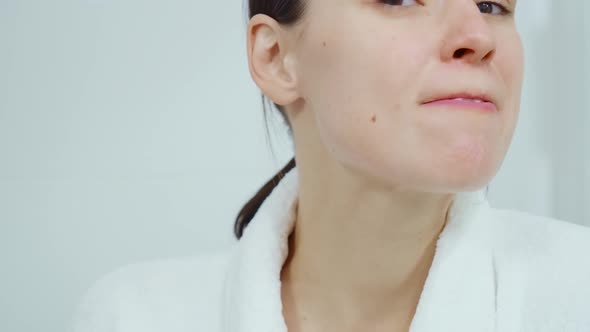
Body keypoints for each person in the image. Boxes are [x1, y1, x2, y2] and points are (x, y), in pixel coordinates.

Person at [72, 0, 590, 331]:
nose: (478, 35)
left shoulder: (575, 292)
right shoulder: (133, 316)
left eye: (493, 4)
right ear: (276, 58)